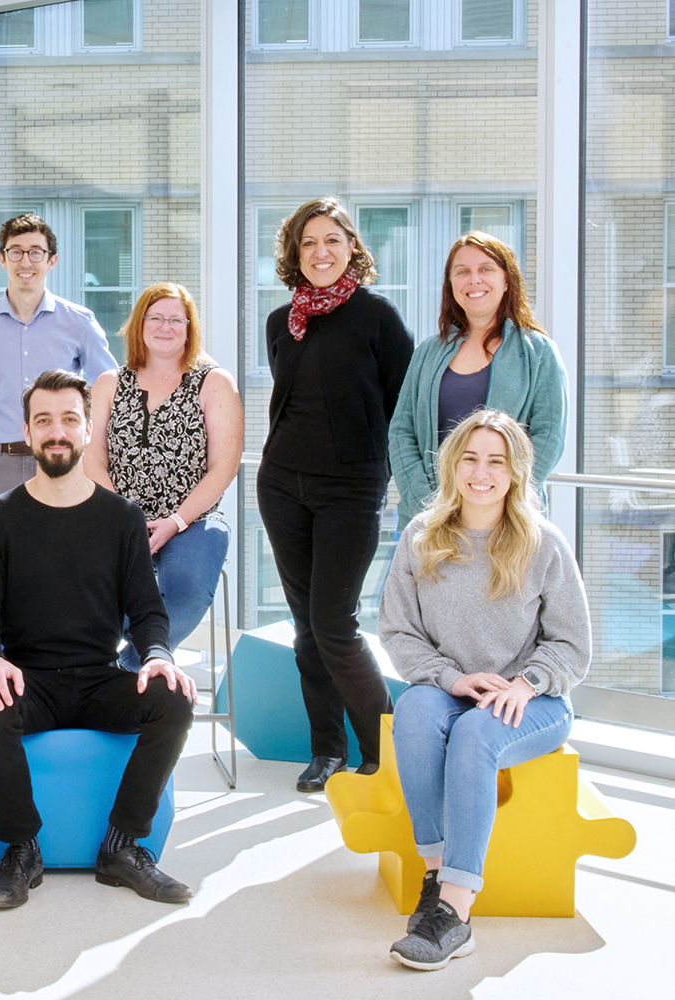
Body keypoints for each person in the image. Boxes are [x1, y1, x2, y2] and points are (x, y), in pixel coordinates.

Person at [0, 369, 197, 910]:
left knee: (175, 700)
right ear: (27, 432)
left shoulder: (122, 518)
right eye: (43, 421)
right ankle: (22, 849)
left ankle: (122, 847)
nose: (57, 432)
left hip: (100, 676)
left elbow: (147, 611)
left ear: (88, 429)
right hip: (30, 680)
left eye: (69, 420)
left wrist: (159, 655)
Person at [379, 409, 590, 970]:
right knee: (416, 711)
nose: (481, 472)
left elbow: (573, 646)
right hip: (451, 685)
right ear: (452, 465)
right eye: (470, 458)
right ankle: (438, 869)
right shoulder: (421, 538)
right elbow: (398, 632)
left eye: (496, 461)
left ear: (515, 472)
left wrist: (528, 683)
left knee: (475, 734)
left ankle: (455, 912)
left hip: (534, 699)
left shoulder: (544, 543)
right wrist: (452, 677)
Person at [256, 196, 415, 793]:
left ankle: (387, 754)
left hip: (351, 489)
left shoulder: (378, 316)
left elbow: (405, 409)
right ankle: (327, 751)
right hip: (281, 484)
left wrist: (400, 482)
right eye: (308, 243)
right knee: (305, 624)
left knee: (335, 622)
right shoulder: (283, 321)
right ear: (295, 255)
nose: (320, 252)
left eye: (332, 240)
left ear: (352, 247)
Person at [86, 283, 242, 662]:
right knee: (85, 589)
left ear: (190, 329)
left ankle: (127, 668)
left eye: (176, 319)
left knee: (186, 589)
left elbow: (225, 466)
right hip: (118, 519)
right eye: (156, 318)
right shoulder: (109, 384)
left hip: (194, 519)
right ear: (140, 325)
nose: (165, 326)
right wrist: (126, 517)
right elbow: (92, 459)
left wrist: (175, 520)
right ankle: (90, 670)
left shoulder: (214, 382)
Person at [0, 214, 118, 522]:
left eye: (36, 252)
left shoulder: (79, 323)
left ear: (51, 261)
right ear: (2, 259)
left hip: (61, 461)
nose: (26, 261)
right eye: (16, 251)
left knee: (63, 560)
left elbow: (110, 391)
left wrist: (97, 455)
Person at [389, 231, 568, 525]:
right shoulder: (427, 353)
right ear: (451, 284)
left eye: (486, 269)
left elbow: (549, 437)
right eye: (462, 272)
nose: (474, 280)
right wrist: (430, 505)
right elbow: (400, 433)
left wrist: (495, 499)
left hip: (507, 521)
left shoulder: (539, 353)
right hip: (431, 519)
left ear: (506, 280)